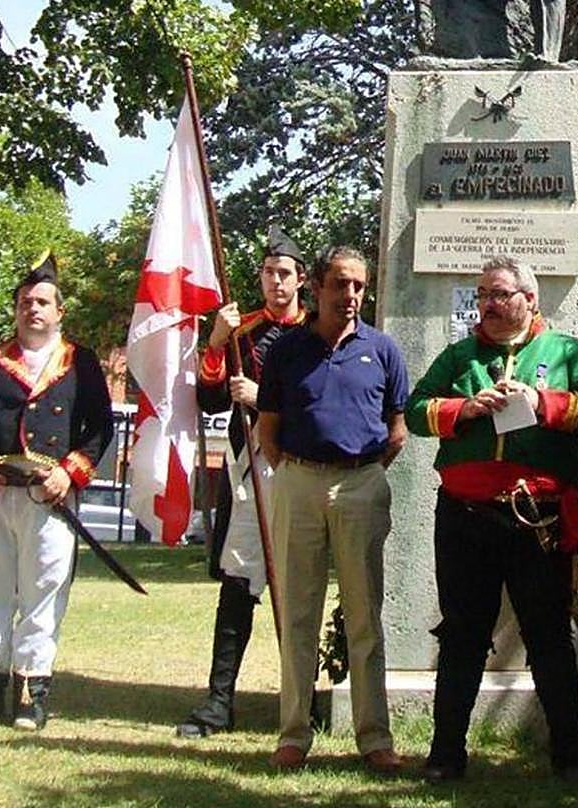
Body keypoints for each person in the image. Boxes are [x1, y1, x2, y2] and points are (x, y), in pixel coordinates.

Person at [405, 256, 578, 784]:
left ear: (530, 299)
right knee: (461, 635)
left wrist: (543, 403)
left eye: (500, 294)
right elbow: (415, 411)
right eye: (482, 295)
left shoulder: (567, 352)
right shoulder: (459, 357)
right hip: (464, 520)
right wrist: (463, 409)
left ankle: (570, 755)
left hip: (537, 521)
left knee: (548, 635)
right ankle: (446, 755)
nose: (489, 304)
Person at [0, 253, 114, 731]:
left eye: (41, 302)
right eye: (24, 302)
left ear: (59, 311)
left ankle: (32, 689)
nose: (32, 309)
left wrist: (71, 472)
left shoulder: (80, 363)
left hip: (48, 496)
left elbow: (100, 428)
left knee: (44, 589)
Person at [257, 245, 409, 774]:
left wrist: (364, 475)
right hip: (298, 483)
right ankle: (293, 735)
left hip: (362, 484)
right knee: (298, 615)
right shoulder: (285, 350)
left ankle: (375, 739)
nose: (351, 295)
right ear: (317, 286)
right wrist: (294, 473)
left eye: (359, 286)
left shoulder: (383, 349)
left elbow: (397, 428)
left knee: (365, 618)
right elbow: (267, 428)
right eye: (341, 284)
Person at [175, 226, 310, 739]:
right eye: (268, 272)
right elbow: (210, 399)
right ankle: (218, 701)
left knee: (300, 588)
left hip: (300, 464)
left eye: (284, 273)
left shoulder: (318, 332)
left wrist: (263, 397)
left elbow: (326, 401)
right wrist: (215, 342)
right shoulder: (241, 331)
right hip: (250, 468)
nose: (276, 282)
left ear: (300, 280)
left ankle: (299, 701)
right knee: (238, 584)